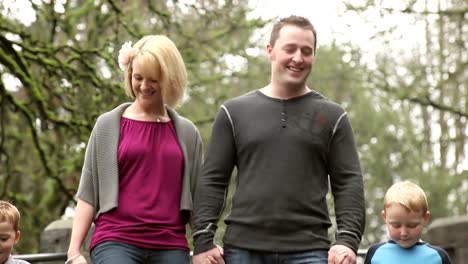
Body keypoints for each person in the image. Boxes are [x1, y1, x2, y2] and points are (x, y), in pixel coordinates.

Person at [192, 15, 365, 264]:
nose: (298, 58)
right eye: (290, 49)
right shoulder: (233, 112)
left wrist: (347, 241)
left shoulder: (333, 116)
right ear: (270, 51)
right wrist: (202, 242)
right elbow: (213, 180)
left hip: (310, 251)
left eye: (307, 51)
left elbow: (348, 182)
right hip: (242, 250)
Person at [65, 35, 203, 264]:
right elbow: (88, 193)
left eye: (153, 80)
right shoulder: (107, 125)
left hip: (170, 243)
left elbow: (198, 199)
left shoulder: (188, 133)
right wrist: (73, 252)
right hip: (116, 240)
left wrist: (204, 245)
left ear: (170, 79)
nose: (144, 86)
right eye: (138, 77)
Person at [364, 181, 452, 264]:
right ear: (385, 217)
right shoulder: (375, 253)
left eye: (412, 225)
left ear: (425, 218)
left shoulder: (439, 257)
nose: (404, 233)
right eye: (396, 225)